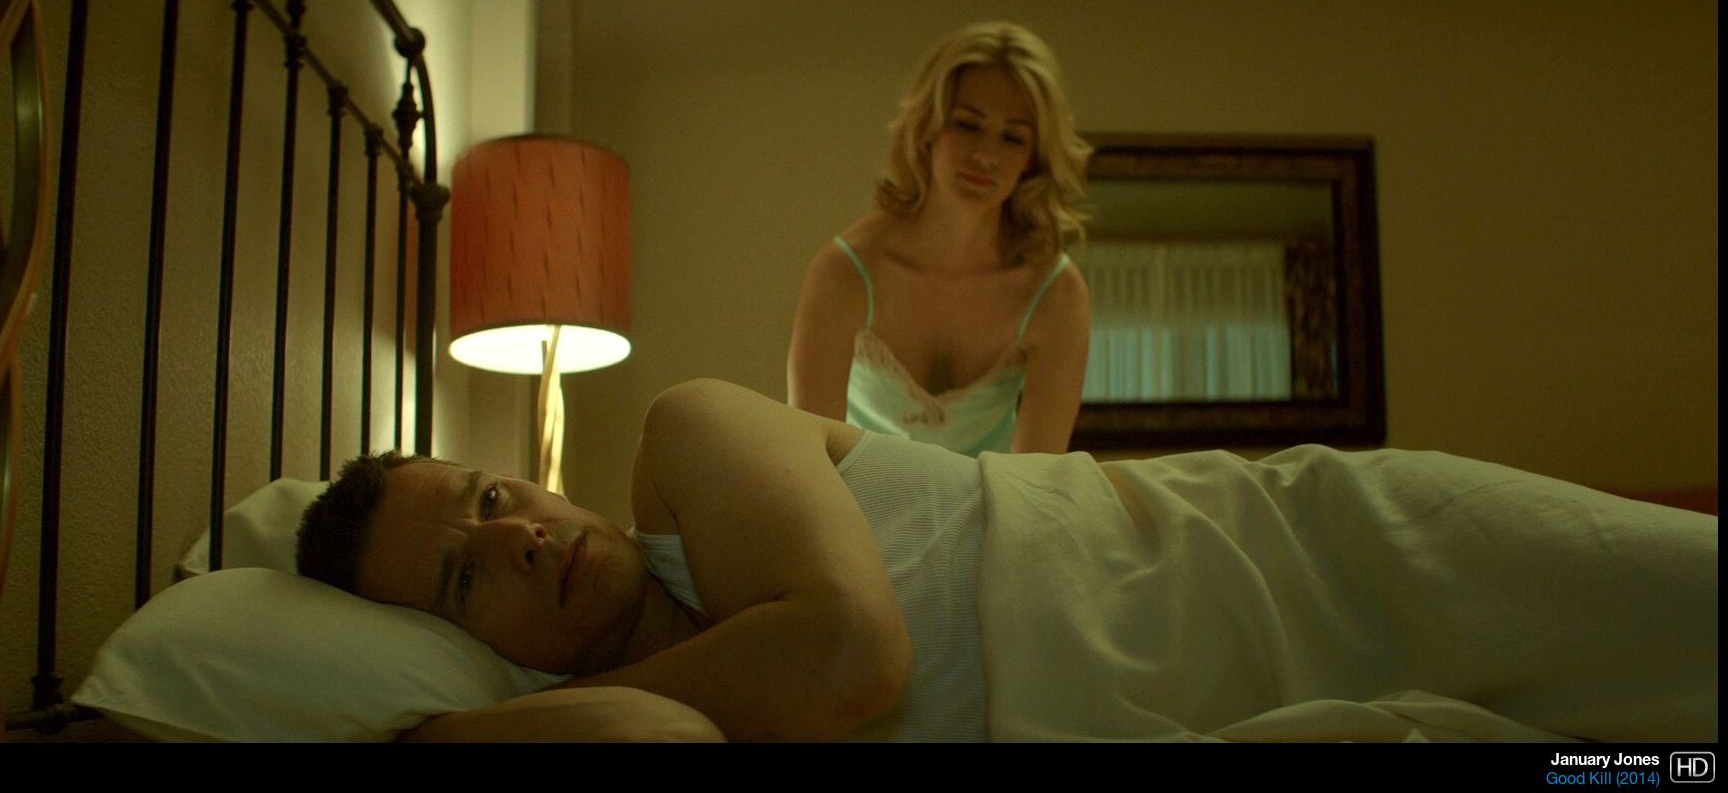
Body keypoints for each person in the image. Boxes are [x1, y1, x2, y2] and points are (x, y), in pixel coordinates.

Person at [296, 379, 1719, 743]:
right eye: (464, 578)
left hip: (1311, 558)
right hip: (1282, 715)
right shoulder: (653, 717)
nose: (516, 533)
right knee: (1653, 766)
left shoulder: (688, 442)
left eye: (491, 495)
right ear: (467, 653)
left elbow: (850, 658)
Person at [788, 21, 1094, 456]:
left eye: (1012, 137)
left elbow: (1036, 477)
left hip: (992, 499)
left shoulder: (1055, 293)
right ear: (928, 126)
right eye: (968, 125)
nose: (985, 156)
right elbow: (808, 460)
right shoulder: (846, 273)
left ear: (1033, 157)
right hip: (849, 495)